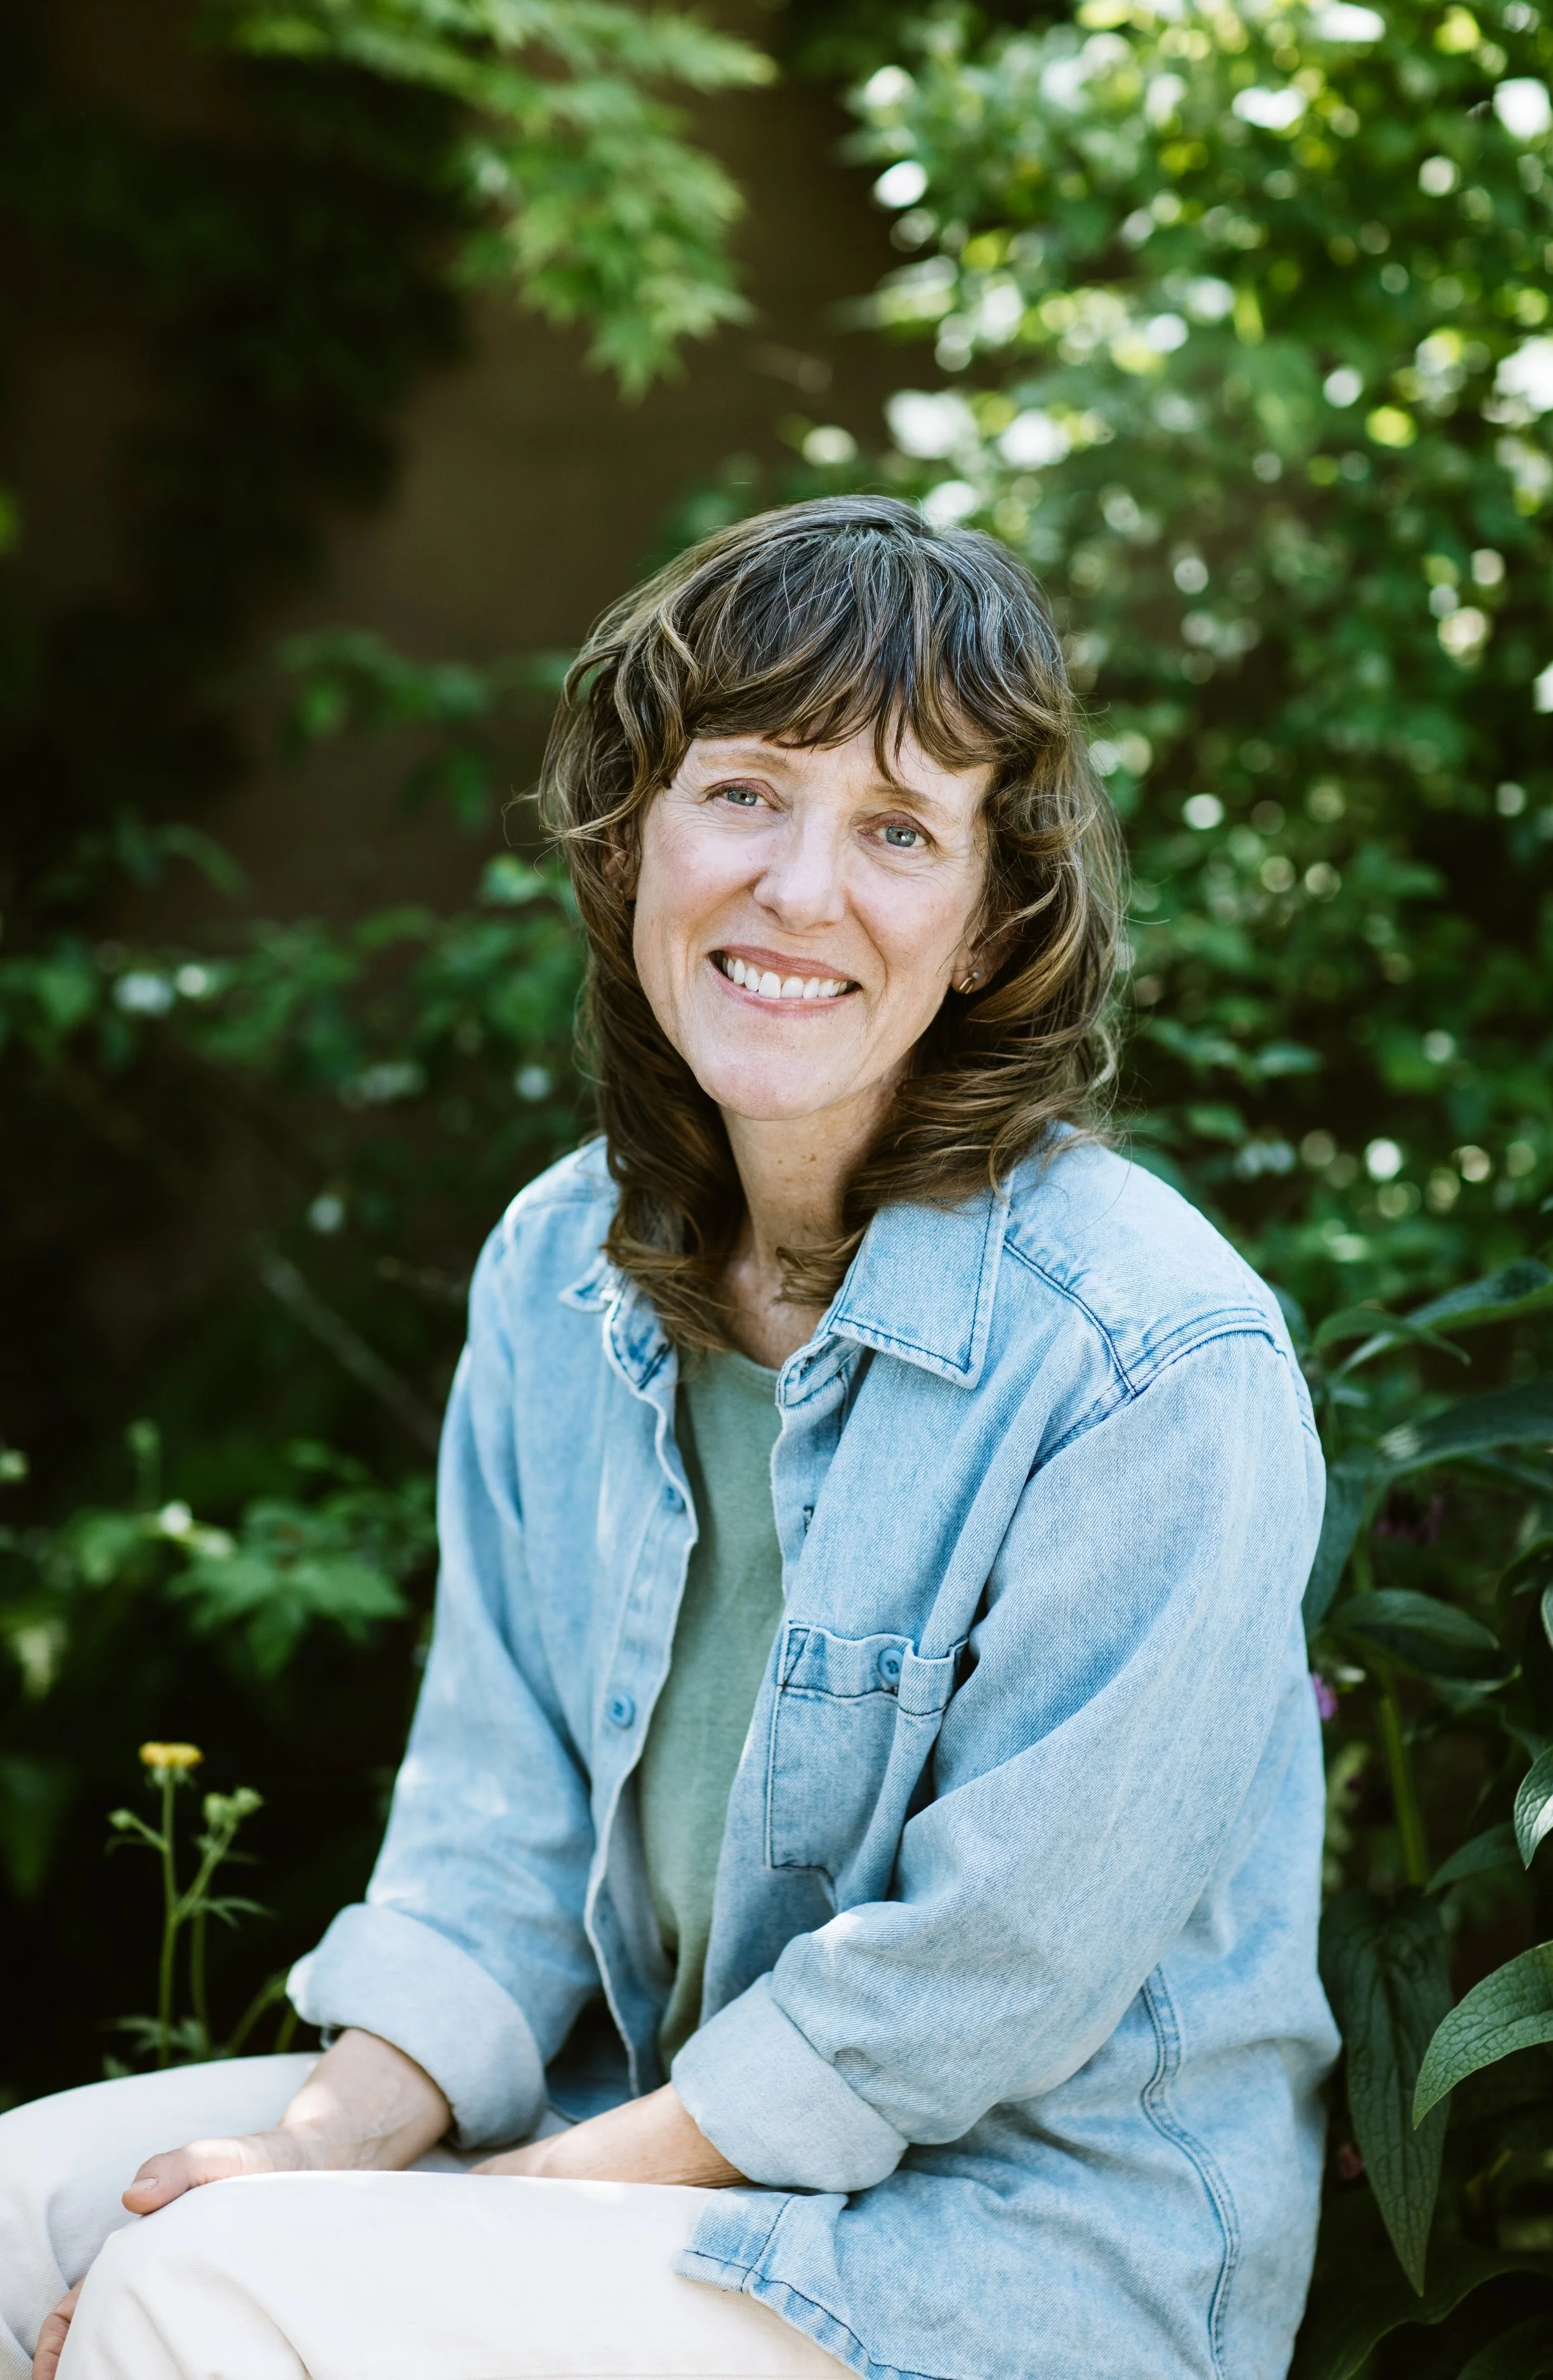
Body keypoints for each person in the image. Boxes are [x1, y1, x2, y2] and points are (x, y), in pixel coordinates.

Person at [2, 496, 1337, 2380]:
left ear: (982, 922)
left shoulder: (1151, 1359)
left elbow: (964, 1995)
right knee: (29, 2211)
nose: (799, 889)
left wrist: (444, 2219)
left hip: (1005, 2263)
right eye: (745, 792)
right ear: (637, 831)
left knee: (191, 2296)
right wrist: (307, 2151)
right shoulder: (562, 1264)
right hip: (648, 2139)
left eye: (895, 829)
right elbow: (492, 1830)